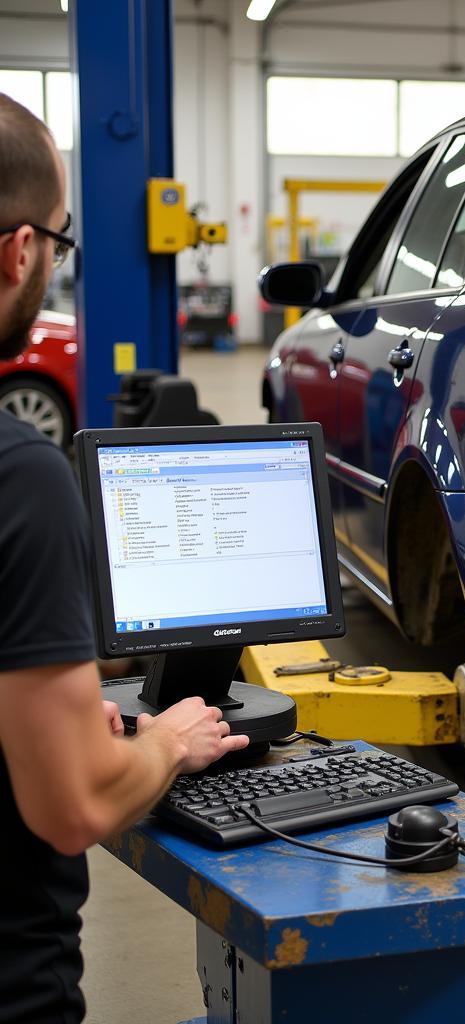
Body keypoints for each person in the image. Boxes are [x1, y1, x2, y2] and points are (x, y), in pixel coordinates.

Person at [0, 93, 249, 1024]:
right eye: (60, 245)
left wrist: (43, 699)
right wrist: (163, 744)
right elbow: (73, 806)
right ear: (22, 250)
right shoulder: (18, 475)